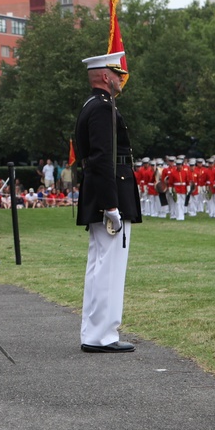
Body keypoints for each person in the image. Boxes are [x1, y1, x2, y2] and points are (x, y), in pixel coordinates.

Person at [75, 51, 141, 354]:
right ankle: (103, 334)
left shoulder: (93, 105)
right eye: (117, 74)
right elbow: (103, 159)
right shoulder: (102, 108)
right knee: (109, 268)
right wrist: (111, 205)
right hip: (110, 194)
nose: (120, 79)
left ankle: (95, 332)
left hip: (103, 193)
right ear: (104, 76)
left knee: (100, 265)